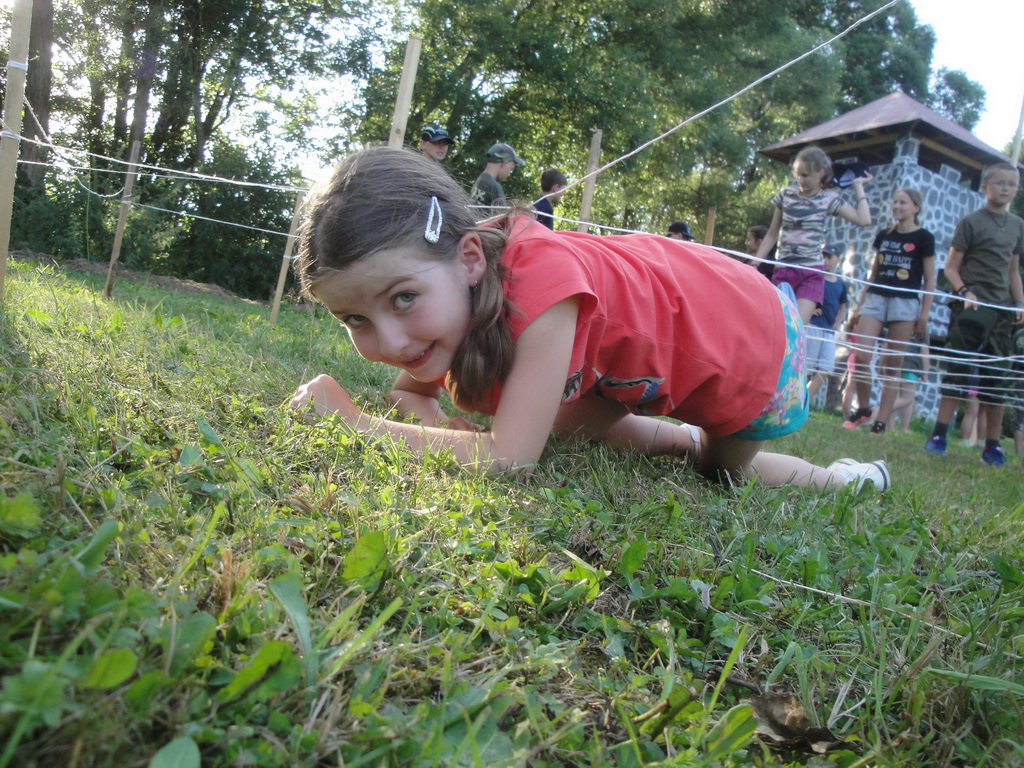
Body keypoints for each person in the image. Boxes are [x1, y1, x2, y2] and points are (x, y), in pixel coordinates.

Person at [289, 147, 890, 492]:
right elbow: (409, 393)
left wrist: (353, 423)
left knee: (719, 474)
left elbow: (509, 460)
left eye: (401, 299)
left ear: (470, 257)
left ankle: (846, 481)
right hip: (638, 357)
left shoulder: (537, 293)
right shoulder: (450, 282)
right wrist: (442, 428)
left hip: (750, 339)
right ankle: (678, 435)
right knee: (578, 433)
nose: (390, 341)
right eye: (354, 318)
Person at [924, 162, 1024, 466]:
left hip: (1000, 310)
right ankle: (938, 436)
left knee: (997, 378)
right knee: (958, 370)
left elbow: (1013, 271)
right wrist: (965, 292)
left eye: (1012, 183)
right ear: (985, 187)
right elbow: (951, 268)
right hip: (969, 307)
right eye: (1000, 183)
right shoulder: (971, 222)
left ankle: (992, 446)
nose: (1006, 188)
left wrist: (1020, 303)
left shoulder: (1017, 225)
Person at [843, 188, 936, 432]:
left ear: (916, 207)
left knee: (893, 364)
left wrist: (924, 316)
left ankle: (881, 422)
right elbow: (874, 273)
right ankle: (864, 410)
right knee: (861, 356)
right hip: (876, 298)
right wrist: (859, 306)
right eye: (894, 202)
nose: (896, 206)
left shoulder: (924, 238)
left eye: (902, 202)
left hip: (905, 302)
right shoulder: (884, 235)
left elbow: (930, 280)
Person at [754, 146, 873, 324]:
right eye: (797, 174)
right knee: (778, 323)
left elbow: (864, 220)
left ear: (820, 173)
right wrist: (755, 263)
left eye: (805, 175)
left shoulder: (828, 198)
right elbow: (772, 235)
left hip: (811, 272)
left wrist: (858, 187)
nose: (800, 179)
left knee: (797, 326)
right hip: (784, 269)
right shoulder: (785, 196)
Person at [806, 245, 848, 401]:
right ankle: (796, 401)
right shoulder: (816, 277)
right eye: (823, 257)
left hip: (829, 330)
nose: (825, 260)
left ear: (838, 260)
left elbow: (842, 306)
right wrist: (810, 310)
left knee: (826, 368)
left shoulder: (841, 284)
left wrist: (838, 322)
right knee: (806, 368)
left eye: (829, 257)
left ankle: (804, 400)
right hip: (813, 326)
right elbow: (805, 296)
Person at [470, 142, 524, 209]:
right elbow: (502, 214)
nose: (510, 173)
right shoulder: (493, 186)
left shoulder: (481, 179)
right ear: (504, 164)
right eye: (511, 168)